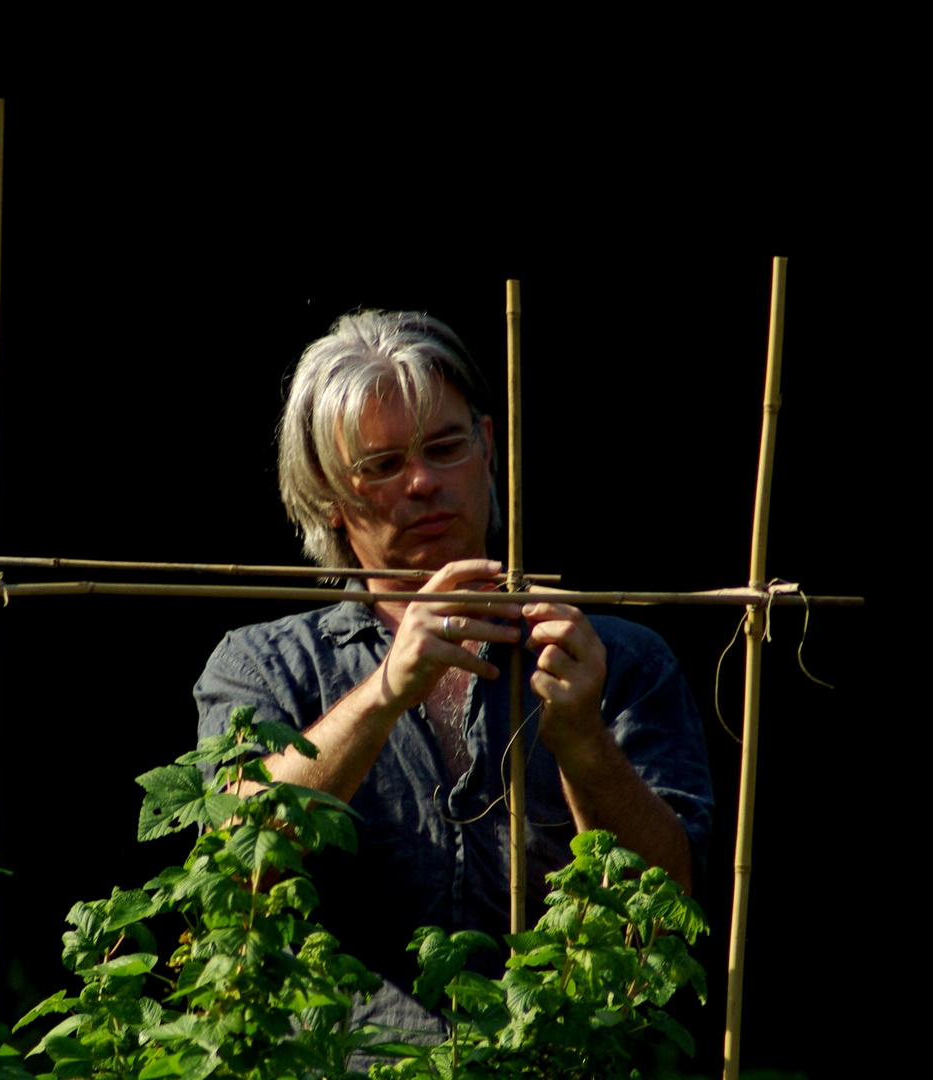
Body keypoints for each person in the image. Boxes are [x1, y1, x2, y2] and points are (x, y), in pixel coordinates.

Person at [193, 309, 713, 1036]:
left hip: (559, 1060)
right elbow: (231, 877)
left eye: (444, 448)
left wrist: (583, 742)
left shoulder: (614, 658)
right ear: (330, 499)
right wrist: (381, 697)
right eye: (381, 466)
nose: (423, 483)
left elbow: (667, 914)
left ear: (489, 446)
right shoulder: (263, 664)